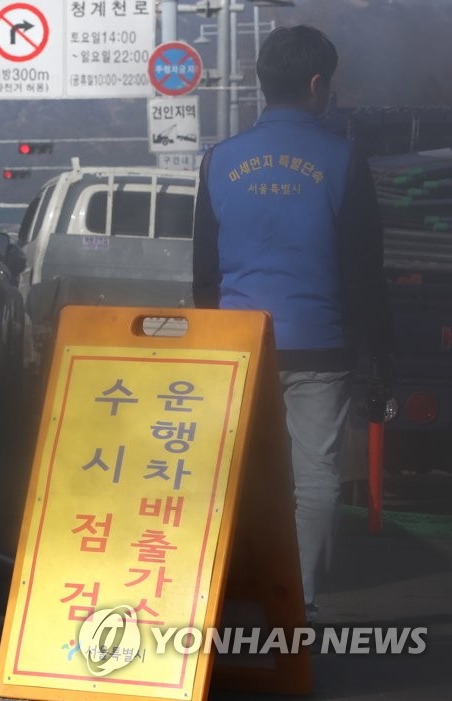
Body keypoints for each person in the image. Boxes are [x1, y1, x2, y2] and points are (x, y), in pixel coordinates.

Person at [192, 25, 395, 624]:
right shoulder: (344, 159)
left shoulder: (219, 161)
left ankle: (230, 592)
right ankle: (302, 603)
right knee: (317, 475)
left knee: (235, 472)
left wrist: (212, 343)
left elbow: (204, 269)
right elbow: (364, 267)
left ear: (260, 83)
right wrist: (378, 350)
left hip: (238, 346)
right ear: (317, 85)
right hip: (320, 346)